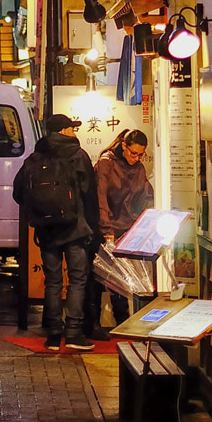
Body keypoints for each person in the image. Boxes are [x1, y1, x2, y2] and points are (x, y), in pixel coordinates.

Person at [14, 112, 99, 352]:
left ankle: (53, 334)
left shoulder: (35, 157)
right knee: (77, 280)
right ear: (62, 131)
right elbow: (89, 194)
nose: (74, 131)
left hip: (47, 229)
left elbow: (18, 192)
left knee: (52, 281)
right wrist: (93, 226)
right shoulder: (78, 156)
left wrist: (41, 211)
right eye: (71, 128)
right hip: (76, 228)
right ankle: (73, 332)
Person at [96, 128, 153, 322]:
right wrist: (106, 231)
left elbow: (146, 195)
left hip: (129, 230)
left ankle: (126, 321)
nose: (136, 158)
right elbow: (100, 198)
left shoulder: (139, 168)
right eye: (133, 153)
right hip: (108, 229)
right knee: (108, 278)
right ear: (124, 146)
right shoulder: (106, 163)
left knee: (126, 279)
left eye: (141, 154)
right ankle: (112, 321)